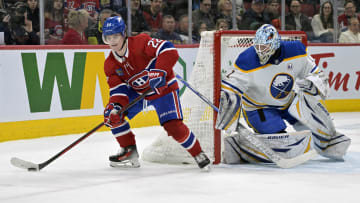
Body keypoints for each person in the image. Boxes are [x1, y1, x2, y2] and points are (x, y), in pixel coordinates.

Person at [215, 24, 351, 165]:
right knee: (282, 144)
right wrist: (228, 106)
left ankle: (326, 140)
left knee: (320, 128)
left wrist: (313, 84)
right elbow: (231, 88)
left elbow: (317, 74)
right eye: (258, 46)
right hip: (259, 108)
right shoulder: (247, 60)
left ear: (275, 45)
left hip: (288, 101)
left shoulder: (296, 50)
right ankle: (239, 147)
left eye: (264, 47)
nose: (260, 51)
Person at [101, 16, 211, 169]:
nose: (112, 41)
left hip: (162, 88)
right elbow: (119, 91)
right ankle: (129, 151)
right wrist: (115, 106)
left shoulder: (140, 42)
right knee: (113, 116)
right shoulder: (110, 65)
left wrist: (159, 71)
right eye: (108, 37)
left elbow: (169, 50)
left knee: (172, 126)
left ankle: (198, 153)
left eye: (115, 36)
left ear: (124, 34)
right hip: (139, 94)